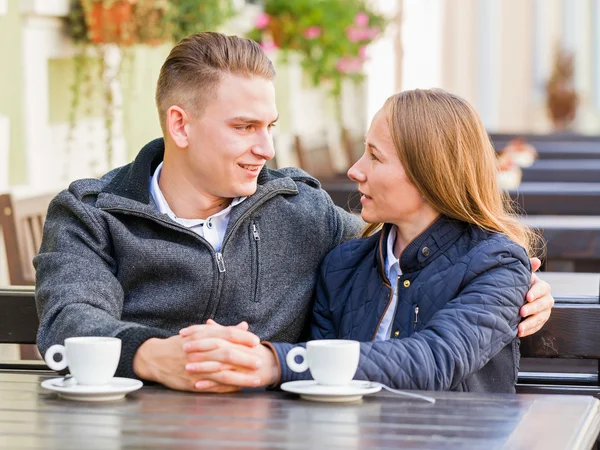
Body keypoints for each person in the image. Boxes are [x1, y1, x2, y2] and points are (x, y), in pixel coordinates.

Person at [35, 32, 553, 393]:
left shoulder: (300, 209)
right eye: (244, 127)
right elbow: (68, 322)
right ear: (181, 125)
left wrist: (524, 284)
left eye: (270, 126)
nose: (266, 149)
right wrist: (155, 356)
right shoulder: (94, 214)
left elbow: (411, 249)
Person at [180, 89, 544, 393]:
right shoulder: (343, 264)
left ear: (429, 174)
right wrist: (236, 352)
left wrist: (277, 361)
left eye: (375, 156)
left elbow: (436, 360)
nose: (356, 170)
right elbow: (315, 381)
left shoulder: (495, 263)